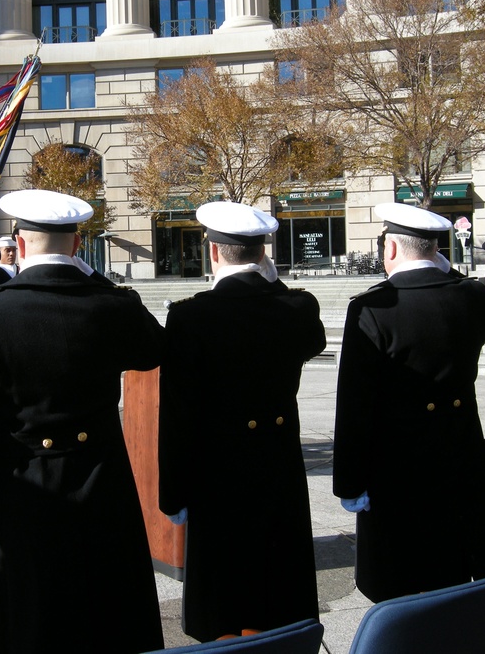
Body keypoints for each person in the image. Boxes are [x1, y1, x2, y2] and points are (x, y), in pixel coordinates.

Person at [0, 189, 165, 654]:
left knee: (33, 620)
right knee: (108, 617)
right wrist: (101, 284)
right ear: (78, 244)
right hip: (102, 487)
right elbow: (155, 349)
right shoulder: (111, 305)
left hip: (22, 493)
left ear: (18, 245)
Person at [158, 201, 327, 641]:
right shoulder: (297, 308)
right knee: (278, 584)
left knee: (224, 598)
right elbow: (313, 337)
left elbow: (178, 416)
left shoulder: (190, 316)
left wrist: (173, 493)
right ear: (263, 253)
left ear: (212, 251)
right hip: (278, 465)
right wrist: (270, 280)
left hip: (218, 474)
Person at [333, 202, 485, 603]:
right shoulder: (469, 296)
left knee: (403, 587)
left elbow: (355, 405)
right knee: (457, 576)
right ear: (435, 250)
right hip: (460, 460)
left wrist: (349, 481)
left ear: (390, 249)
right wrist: (446, 270)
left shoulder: (372, 307)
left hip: (398, 472)